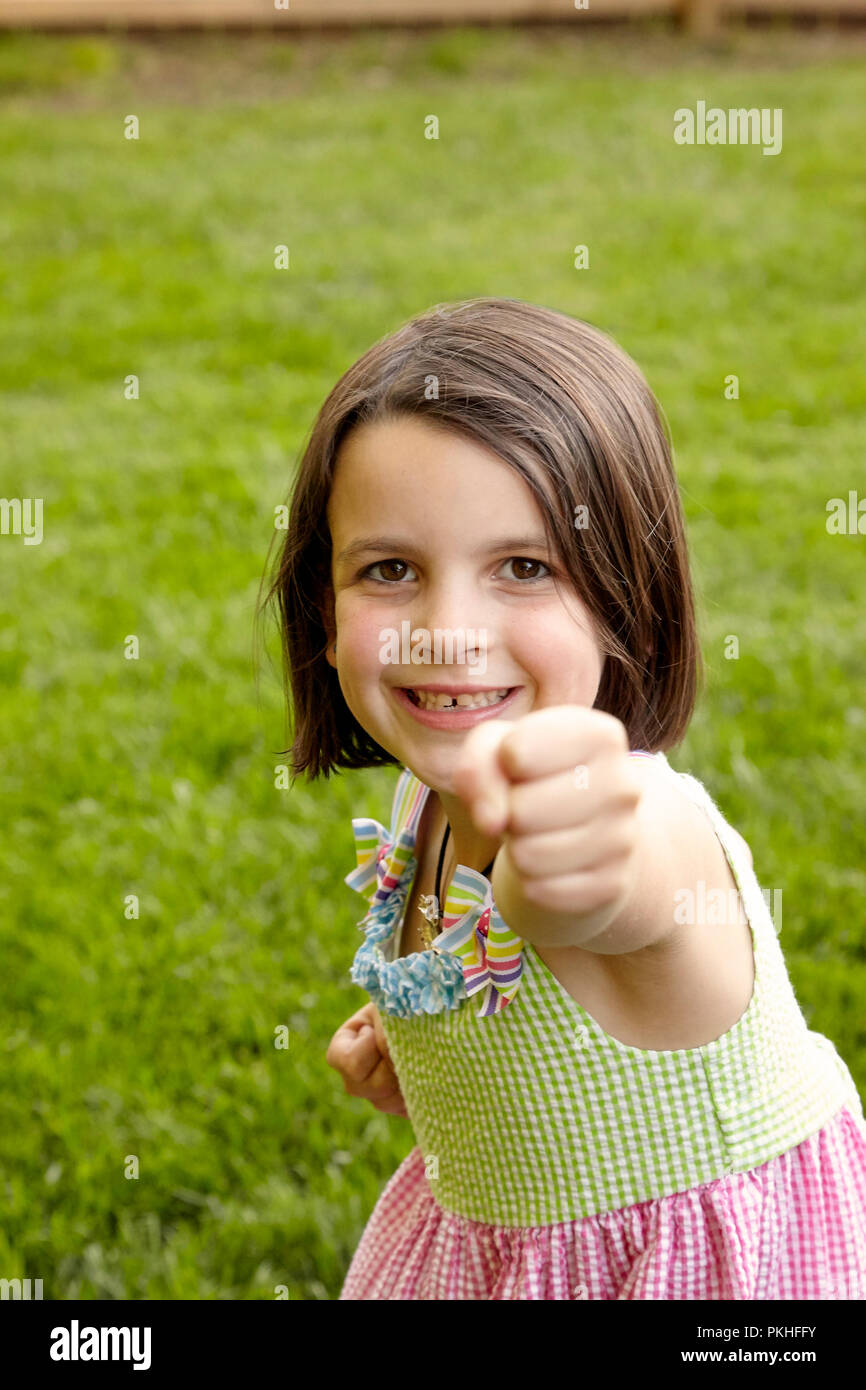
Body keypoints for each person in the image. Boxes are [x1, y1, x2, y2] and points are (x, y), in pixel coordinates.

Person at [262, 296, 866, 1300]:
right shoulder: (429, 796)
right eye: (390, 569)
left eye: (523, 567)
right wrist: (425, 1048)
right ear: (321, 613)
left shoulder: (633, 822)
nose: (444, 632)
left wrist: (567, 862)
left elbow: (595, 884)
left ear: (628, 596)